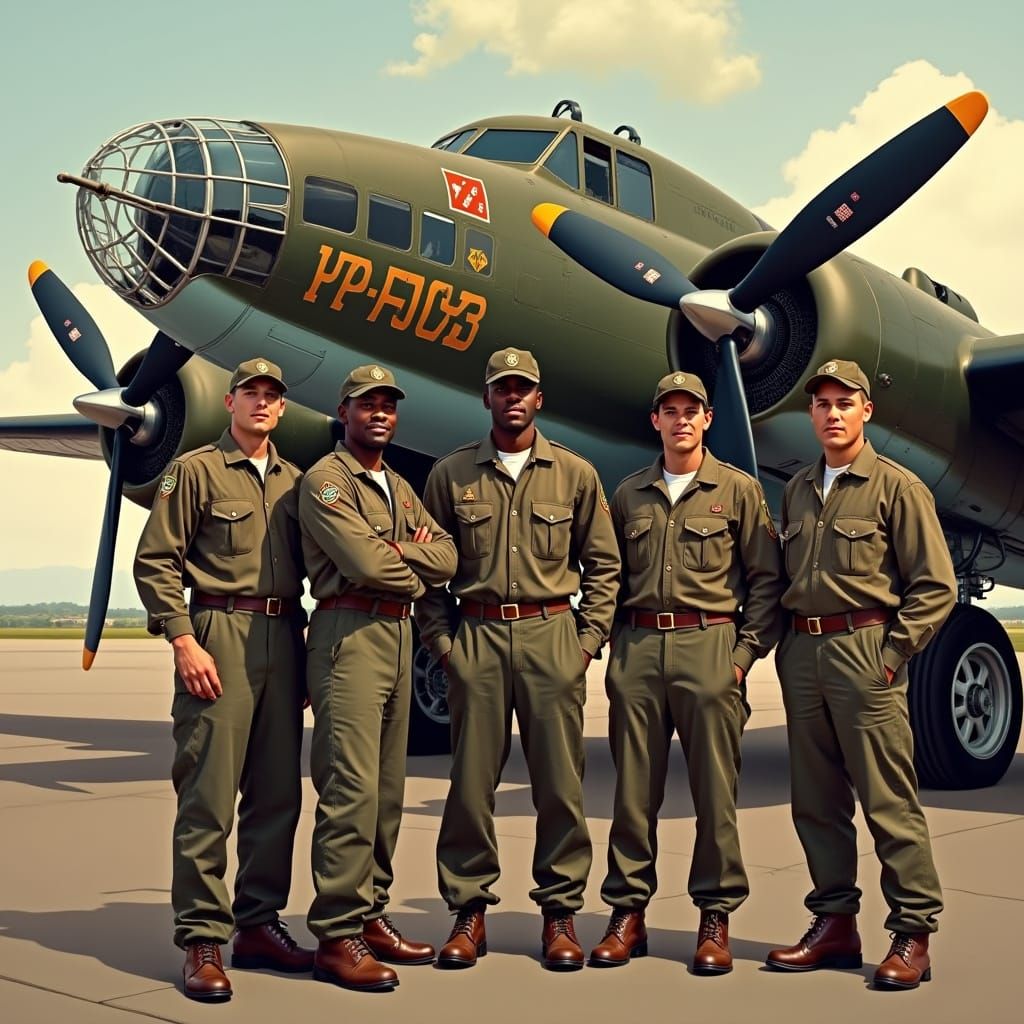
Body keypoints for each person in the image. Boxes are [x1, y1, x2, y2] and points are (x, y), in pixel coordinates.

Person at [416, 347, 620, 971]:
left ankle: (560, 914)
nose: (512, 397)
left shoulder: (576, 476)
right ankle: (468, 912)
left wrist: (585, 643)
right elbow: (427, 573)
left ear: (538, 400)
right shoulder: (451, 476)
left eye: (523, 388)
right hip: (475, 638)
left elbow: (606, 567)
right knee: (470, 786)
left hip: (552, 637)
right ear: (486, 399)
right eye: (502, 388)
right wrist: (444, 645)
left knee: (560, 785)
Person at [766, 359, 956, 990]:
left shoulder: (898, 489)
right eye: (821, 403)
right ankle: (835, 924)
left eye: (844, 402)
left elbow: (935, 587)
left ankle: (913, 932)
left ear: (866, 410)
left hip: (865, 653)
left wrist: (894, 654)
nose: (832, 413)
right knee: (816, 802)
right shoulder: (797, 489)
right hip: (804, 655)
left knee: (887, 800)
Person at [589, 371, 783, 975]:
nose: (680, 420)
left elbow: (767, 582)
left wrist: (741, 658)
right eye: (668, 410)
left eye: (690, 410)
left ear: (707, 420)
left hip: (711, 647)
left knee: (715, 796)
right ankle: (627, 914)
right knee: (631, 795)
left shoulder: (739, 491)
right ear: (656, 421)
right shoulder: (629, 496)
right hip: (640, 650)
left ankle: (714, 916)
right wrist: (618, 656)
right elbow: (610, 579)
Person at [134, 358, 312, 1003]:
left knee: (276, 796)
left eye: (272, 395)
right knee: (207, 796)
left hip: (285, 635)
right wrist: (183, 639)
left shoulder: (298, 482)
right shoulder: (195, 472)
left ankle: (259, 924)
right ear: (230, 402)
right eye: (251, 394)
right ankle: (203, 938)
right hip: (218, 633)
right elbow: (156, 562)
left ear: (283, 408)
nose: (261, 404)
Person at [299, 363, 456, 992]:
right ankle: (337, 934)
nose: (381, 414)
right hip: (349, 637)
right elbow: (362, 561)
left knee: (388, 792)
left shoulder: (394, 483)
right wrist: (407, 561)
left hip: (397, 635)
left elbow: (446, 554)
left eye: (389, 404)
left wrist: (402, 557)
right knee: (350, 790)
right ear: (345, 413)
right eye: (368, 405)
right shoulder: (326, 481)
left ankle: (371, 914)